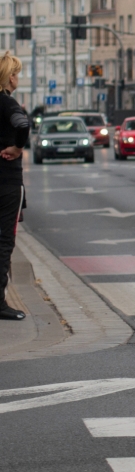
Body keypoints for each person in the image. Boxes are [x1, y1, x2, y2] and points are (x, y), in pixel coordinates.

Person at [0, 53, 30, 321]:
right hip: (7, 182)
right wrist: (17, 147)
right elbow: (23, 125)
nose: (18, 78)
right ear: (11, 77)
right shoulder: (8, 103)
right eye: (17, 73)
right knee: (4, 240)